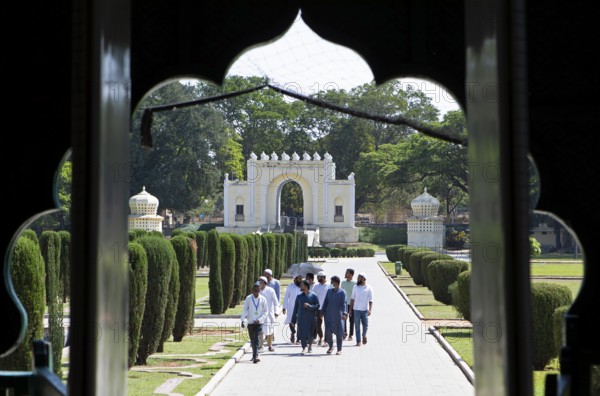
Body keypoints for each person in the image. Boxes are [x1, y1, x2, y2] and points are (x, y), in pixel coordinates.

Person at [240, 282, 268, 363]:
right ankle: (254, 355)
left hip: (259, 323)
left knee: (257, 338)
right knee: (252, 340)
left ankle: (255, 356)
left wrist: (259, 320)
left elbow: (266, 312)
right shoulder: (249, 298)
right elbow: (245, 310)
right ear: (252, 290)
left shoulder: (263, 299)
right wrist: (242, 320)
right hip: (250, 323)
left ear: (259, 290)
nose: (256, 292)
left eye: (257, 290)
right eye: (255, 290)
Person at [291, 280, 320, 354]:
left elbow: (317, 306)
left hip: (311, 318)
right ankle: (304, 348)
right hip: (301, 319)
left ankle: (310, 346)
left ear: (306, 286)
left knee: (311, 334)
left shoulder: (313, 295)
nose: (300, 286)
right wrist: (293, 321)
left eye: (302, 285)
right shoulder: (299, 296)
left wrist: (309, 306)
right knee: (302, 334)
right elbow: (295, 309)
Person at [321, 275, 347, 355]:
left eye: (332, 281)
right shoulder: (329, 291)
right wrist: (322, 312)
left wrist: (344, 313)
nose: (331, 283)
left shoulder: (342, 292)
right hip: (329, 316)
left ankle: (339, 349)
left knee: (339, 334)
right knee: (328, 333)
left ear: (336, 282)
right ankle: (331, 346)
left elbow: (344, 304)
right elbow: (325, 302)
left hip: (338, 317)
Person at [349, 273, 373, 346]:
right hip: (356, 309)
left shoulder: (369, 288)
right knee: (357, 326)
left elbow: (371, 300)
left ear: (364, 279)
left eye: (359, 278)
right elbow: (352, 298)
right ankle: (358, 341)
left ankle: (364, 335)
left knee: (365, 324)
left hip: (364, 310)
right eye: (358, 278)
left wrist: (370, 310)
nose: (358, 279)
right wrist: (350, 310)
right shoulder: (355, 287)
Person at [258, 276, 279, 352]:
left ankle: (270, 346)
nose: (260, 283)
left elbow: (276, 302)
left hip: (269, 314)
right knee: (261, 330)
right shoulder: (257, 291)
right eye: (259, 281)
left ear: (265, 282)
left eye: (261, 281)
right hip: (260, 314)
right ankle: (261, 346)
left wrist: (276, 311)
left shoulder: (271, 290)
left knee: (270, 330)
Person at [282, 273, 303, 344]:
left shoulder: (303, 286)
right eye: (299, 279)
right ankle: (293, 333)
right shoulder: (290, 287)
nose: (300, 280)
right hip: (291, 307)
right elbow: (286, 297)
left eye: (301, 278)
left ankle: (298, 338)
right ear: (295, 279)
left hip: (301, 308)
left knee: (300, 323)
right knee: (291, 322)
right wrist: (284, 307)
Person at [312, 271, 330, 346]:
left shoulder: (329, 285)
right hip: (318, 308)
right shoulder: (316, 286)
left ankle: (326, 340)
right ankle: (321, 337)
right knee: (318, 325)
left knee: (327, 325)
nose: (317, 278)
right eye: (317, 277)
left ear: (324, 277)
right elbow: (312, 295)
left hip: (327, 308)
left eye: (319, 277)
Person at [340, 268, 356, 341]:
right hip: (345, 304)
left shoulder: (355, 283)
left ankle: (351, 335)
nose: (345, 274)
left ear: (351, 275)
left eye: (347, 273)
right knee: (344, 319)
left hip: (352, 304)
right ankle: (344, 333)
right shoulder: (343, 283)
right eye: (345, 272)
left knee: (351, 320)